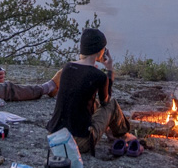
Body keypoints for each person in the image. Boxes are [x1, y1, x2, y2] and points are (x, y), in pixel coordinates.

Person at [45, 27, 137, 158]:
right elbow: (106, 102)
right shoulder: (98, 76)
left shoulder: (67, 68)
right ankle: (122, 134)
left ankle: (110, 132)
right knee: (112, 105)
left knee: (93, 101)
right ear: (100, 51)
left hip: (54, 137)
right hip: (78, 143)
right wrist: (110, 71)